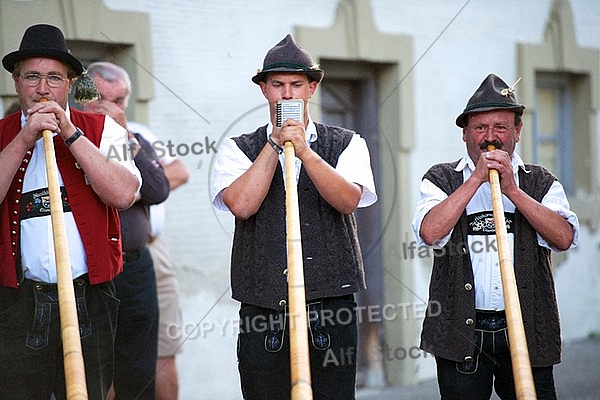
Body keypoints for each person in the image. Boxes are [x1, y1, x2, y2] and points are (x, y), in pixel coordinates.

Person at [211, 34, 377, 399]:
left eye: (296, 85)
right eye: (278, 85)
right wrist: (274, 145)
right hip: (264, 305)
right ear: (264, 91)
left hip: (331, 305)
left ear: (312, 89)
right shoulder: (238, 147)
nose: (287, 95)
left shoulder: (347, 142)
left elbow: (349, 200)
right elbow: (242, 205)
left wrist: (306, 152)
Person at [412, 73, 579, 400]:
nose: (491, 138)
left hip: (528, 330)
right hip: (462, 333)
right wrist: (475, 179)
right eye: (480, 128)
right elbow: (430, 232)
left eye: (501, 128)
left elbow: (563, 238)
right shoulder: (441, 178)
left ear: (517, 131)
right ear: (465, 134)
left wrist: (512, 190)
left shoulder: (540, 182)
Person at [0, 24, 141, 400]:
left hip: (89, 298)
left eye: (53, 78)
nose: (42, 89)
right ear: (16, 81)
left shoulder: (103, 129)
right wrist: (24, 137)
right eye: (32, 76)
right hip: (18, 302)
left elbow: (124, 194)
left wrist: (72, 135)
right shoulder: (2, 134)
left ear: (70, 83)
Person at [86, 60, 189, 399]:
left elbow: (160, 187)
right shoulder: (72, 137)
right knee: (100, 365)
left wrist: (126, 136)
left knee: (144, 362)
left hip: (138, 260)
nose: (109, 108)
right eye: (102, 99)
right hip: (92, 267)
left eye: (118, 102)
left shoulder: (135, 136)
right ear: (82, 96)